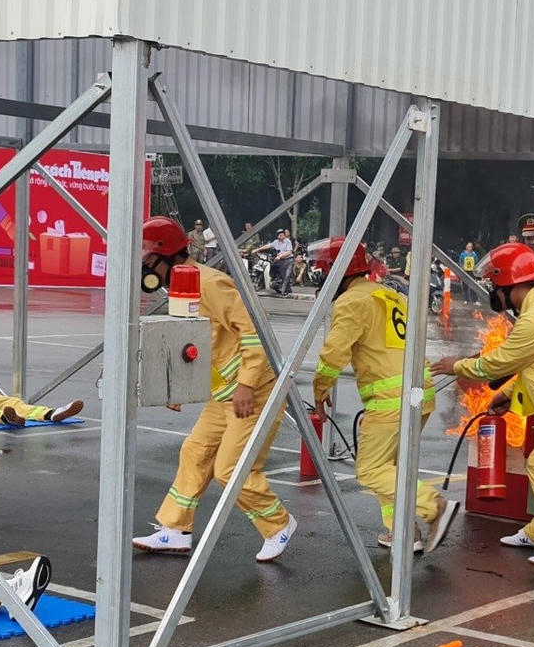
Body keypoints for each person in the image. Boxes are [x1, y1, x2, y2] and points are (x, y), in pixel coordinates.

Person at [132, 217, 296, 562]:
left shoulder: (209, 284)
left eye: (146, 260)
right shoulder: (182, 287)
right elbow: (190, 344)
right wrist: (177, 388)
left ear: (166, 256)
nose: (144, 268)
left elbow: (254, 334)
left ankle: (278, 524)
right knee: (195, 453)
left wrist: (247, 385)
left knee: (231, 469)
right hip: (223, 396)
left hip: (253, 392)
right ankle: (175, 530)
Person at [432, 243, 534, 569]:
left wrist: (457, 366)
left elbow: (497, 364)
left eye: (495, 285)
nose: (495, 293)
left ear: (509, 283)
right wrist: (508, 396)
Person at [311, 238, 458, 553]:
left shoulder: (351, 302)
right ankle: (402, 533)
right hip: (420, 392)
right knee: (388, 466)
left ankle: (434, 507)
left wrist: (320, 388)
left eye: (325, 272)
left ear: (338, 272)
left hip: (392, 399)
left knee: (370, 470)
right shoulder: (389, 294)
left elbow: (333, 353)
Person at [255, 228, 295, 296]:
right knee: (282, 275)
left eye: (283, 235)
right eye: (280, 235)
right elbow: (268, 246)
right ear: (277, 236)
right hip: (281, 261)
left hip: (289, 260)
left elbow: (289, 252)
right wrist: (258, 249)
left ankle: (283, 291)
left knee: (287, 275)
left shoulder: (288, 241)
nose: (282, 236)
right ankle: (287, 290)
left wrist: (280, 256)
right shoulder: (276, 242)